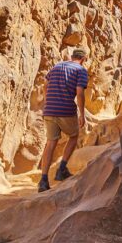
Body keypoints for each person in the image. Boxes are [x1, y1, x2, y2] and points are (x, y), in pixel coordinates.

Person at [38, 48, 89, 192]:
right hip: (66, 110)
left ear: (72, 57)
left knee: (50, 143)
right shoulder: (80, 70)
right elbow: (80, 93)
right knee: (73, 136)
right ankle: (62, 169)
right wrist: (82, 114)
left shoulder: (56, 66)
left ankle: (43, 181)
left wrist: (48, 100)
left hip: (49, 109)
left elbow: (45, 84)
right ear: (84, 59)